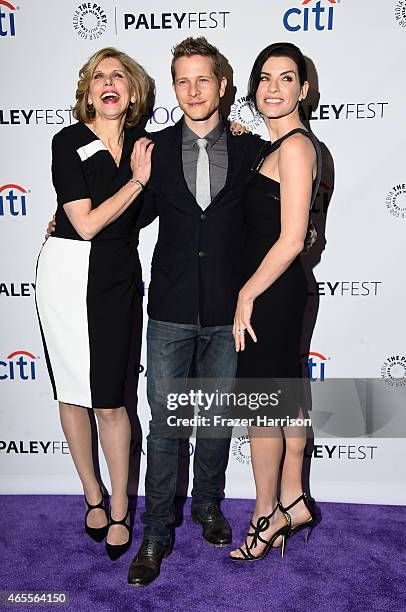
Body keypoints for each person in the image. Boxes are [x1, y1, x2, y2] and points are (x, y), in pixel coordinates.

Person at [126, 38, 263, 587]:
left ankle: (207, 506)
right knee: (165, 427)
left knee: (214, 421)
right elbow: (123, 218)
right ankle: (156, 532)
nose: (192, 90)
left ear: (222, 85)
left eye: (202, 79)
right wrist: (62, 225)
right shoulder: (151, 150)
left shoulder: (251, 150)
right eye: (182, 80)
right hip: (171, 309)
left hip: (230, 311)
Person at [35, 47, 153, 561]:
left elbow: (207, 143)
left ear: (132, 92)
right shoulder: (68, 141)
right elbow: (82, 224)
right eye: (98, 76)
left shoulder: (150, 147)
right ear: (88, 91)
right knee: (72, 392)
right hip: (65, 273)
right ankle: (93, 495)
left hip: (116, 277)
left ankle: (122, 506)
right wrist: (137, 184)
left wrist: (237, 131)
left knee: (111, 398)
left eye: (118, 76)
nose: (108, 83)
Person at [229, 42, 321, 561]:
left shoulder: (295, 147)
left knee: (263, 409)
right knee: (280, 400)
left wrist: (246, 294)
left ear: (303, 90)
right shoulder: (274, 146)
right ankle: (291, 500)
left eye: (286, 78)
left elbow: (290, 239)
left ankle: (266, 516)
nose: (272, 87)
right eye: (265, 77)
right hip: (273, 290)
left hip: (270, 292)